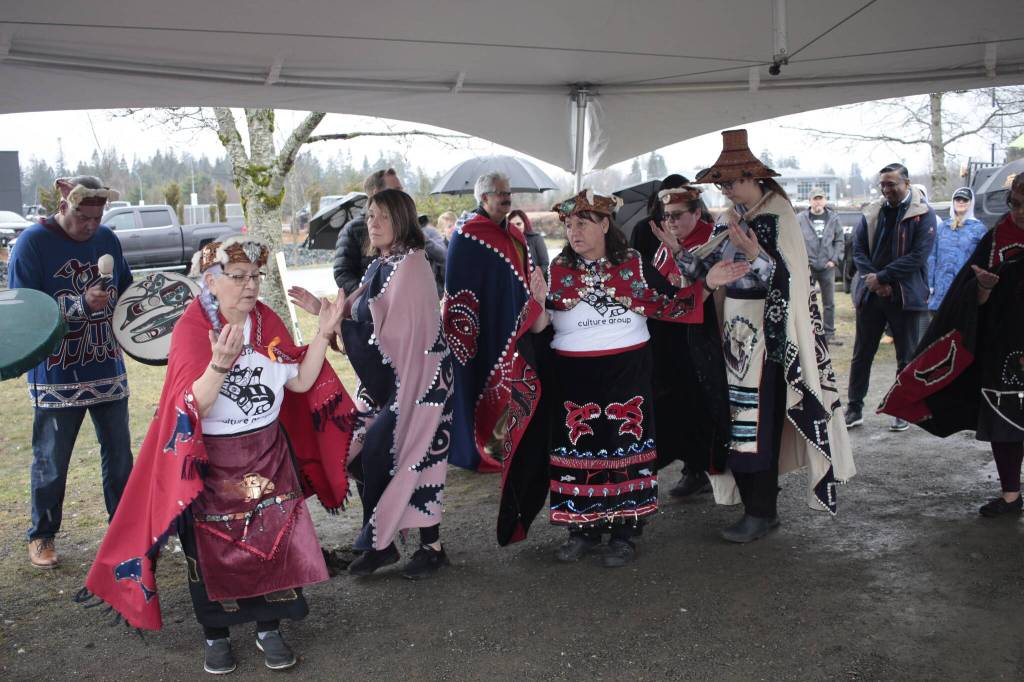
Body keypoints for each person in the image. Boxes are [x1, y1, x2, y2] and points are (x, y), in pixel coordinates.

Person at [81, 236, 356, 674]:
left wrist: (323, 333)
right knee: (211, 552)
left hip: (267, 453)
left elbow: (301, 383)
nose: (251, 286)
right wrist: (219, 364)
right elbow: (193, 407)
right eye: (239, 277)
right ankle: (216, 635)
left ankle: (269, 627)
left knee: (272, 545)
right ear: (210, 282)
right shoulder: (194, 328)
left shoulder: (266, 322)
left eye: (256, 277)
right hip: (211, 461)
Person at [654, 130, 855, 543]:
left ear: (753, 177)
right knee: (737, 421)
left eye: (731, 182)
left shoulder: (777, 215)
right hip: (733, 335)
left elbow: (790, 279)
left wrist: (758, 258)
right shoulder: (740, 219)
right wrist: (677, 250)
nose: (726, 190)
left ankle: (761, 511)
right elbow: (707, 273)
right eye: (722, 184)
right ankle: (758, 508)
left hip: (766, 340)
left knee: (755, 423)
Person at [536, 189, 748, 567]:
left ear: (604, 224)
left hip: (626, 374)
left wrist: (709, 284)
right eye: (568, 225)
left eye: (582, 223)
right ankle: (582, 529)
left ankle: (624, 533)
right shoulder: (557, 270)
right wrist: (536, 304)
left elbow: (670, 303)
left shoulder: (633, 264)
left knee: (624, 448)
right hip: (573, 377)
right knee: (578, 449)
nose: (574, 231)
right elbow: (540, 325)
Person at [289, 189, 454, 580]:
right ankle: (382, 542)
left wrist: (337, 323)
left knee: (406, 455)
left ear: (401, 219)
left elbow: (393, 334)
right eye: (369, 217)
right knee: (364, 452)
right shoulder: (382, 264)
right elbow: (365, 314)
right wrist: (324, 313)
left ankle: (425, 548)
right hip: (394, 382)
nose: (372, 224)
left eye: (381, 216)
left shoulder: (411, 268)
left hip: (421, 384)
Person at [880, 174, 1024, 518]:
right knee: (1005, 426)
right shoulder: (995, 239)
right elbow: (966, 292)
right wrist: (983, 289)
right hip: (1003, 349)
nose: (1020, 212)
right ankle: (1011, 496)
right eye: (1016, 204)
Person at [8, 175, 134, 569]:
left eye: (98, 217)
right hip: (57, 374)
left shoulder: (108, 239)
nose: (92, 226)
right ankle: (42, 535)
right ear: (64, 206)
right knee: (51, 459)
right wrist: (80, 304)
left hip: (107, 366)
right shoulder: (33, 243)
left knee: (120, 458)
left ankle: (125, 530)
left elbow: (127, 290)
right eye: (84, 217)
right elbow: (23, 311)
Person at [443, 171, 548, 545]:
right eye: (500, 194)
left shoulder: (515, 233)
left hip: (515, 324)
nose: (507, 198)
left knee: (514, 386)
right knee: (485, 387)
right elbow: (462, 288)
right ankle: (483, 448)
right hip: (484, 329)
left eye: (508, 193)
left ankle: (509, 444)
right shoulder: (468, 234)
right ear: (483, 197)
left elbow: (521, 276)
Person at [644, 184, 728, 499]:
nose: (671, 222)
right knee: (677, 407)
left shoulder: (712, 240)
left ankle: (712, 469)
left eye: (678, 215)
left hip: (703, 337)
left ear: (696, 212)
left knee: (704, 406)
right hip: (671, 339)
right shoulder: (666, 244)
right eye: (667, 216)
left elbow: (703, 286)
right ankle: (693, 468)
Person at [846, 163, 936, 432]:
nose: (886, 189)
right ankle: (854, 408)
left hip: (906, 296)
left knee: (906, 357)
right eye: (883, 184)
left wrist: (883, 277)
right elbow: (858, 249)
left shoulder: (924, 214)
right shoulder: (873, 212)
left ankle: (902, 409)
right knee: (862, 354)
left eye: (892, 184)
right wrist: (874, 279)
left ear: (906, 183)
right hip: (872, 295)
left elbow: (918, 256)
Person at [333, 168, 403, 294]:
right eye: (396, 191)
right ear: (377, 193)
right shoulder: (353, 229)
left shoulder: (404, 223)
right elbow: (342, 273)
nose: (402, 195)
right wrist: (368, 297)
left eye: (401, 190)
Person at [927, 187, 987, 314]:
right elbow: (932, 256)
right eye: (958, 199)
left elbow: (983, 259)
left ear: (971, 203)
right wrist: (930, 285)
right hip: (941, 290)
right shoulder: (943, 227)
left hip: (964, 287)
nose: (961, 202)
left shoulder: (979, 229)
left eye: (965, 200)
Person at [797, 187, 844, 345]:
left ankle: (829, 334)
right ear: (809, 201)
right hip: (807, 268)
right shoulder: (800, 218)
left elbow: (839, 240)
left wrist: (834, 259)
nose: (818, 202)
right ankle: (808, 333)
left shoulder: (834, 218)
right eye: (815, 199)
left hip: (827, 267)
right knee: (806, 302)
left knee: (829, 303)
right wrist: (802, 262)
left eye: (820, 198)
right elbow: (794, 241)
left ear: (824, 200)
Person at [508, 208, 550, 277]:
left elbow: (545, 263)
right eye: (512, 225)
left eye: (518, 224)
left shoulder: (536, 239)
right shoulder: (506, 241)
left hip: (534, 282)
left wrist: (534, 278)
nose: (515, 227)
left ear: (525, 224)